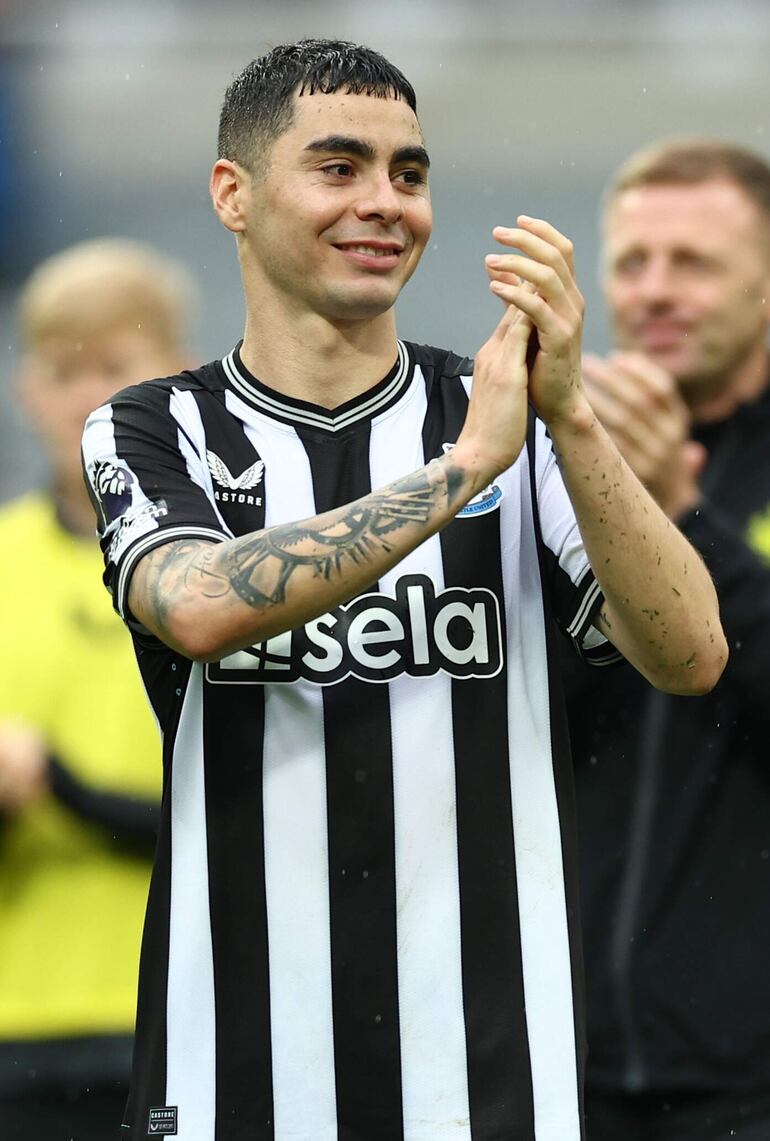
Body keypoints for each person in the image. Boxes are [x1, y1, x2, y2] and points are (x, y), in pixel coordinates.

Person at [81, 42, 725, 1141]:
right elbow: (196, 605)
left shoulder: (517, 419)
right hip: (236, 1075)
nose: (385, 201)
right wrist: (458, 474)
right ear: (233, 194)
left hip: (491, 1083)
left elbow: (691, 653)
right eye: (339, 167)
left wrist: (571, 417)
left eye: (409, 173)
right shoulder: (155, 426)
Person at [570, 140, 770, 1141]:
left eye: (692, 263)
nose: (653, 290)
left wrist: (682, 519)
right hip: (562, 1066)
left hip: (750, 1079)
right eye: (631, 263)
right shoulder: (548, 466)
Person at [0, 239, 195, 1141]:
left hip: (187, 1009)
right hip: (19, 1022)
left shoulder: (238, 568)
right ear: (24, 389)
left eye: (114, 367)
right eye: (61, 371)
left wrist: (61, 786)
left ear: (180, 378)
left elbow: (246, 813)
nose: (86, 398)